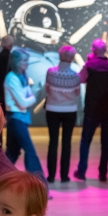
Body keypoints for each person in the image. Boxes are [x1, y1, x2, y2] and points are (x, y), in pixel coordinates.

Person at [75, 38, 108, 182]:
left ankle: (82, 171)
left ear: (93, 50)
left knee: (86, 141)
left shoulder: (89, 65)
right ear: (105, 50)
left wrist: (86, 64)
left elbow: (80, 79)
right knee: (106, 142)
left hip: (92, 109)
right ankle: (103, 173)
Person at [4, 47, 45, 181]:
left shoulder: (22, 77)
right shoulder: (12, 78)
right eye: (24, 60)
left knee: (12, 153)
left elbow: (26, 98)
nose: (27, 63)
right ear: (16, 62)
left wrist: (29, 98)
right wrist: (32, 98)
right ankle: (39, 185)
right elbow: (23, 102)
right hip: (16, 119)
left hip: (19, 118)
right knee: (30, 152)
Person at [44, 46, 81, 183]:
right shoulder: (75, 76)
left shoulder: (51, 72)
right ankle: (64, 176)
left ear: (59, 56)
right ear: (72, 58)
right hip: (70, 111)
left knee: (53, 142)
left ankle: (51, 176)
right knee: (67, 143)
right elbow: (77, 93)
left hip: (52, 109)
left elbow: (47, 89)